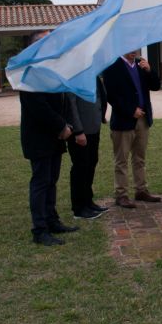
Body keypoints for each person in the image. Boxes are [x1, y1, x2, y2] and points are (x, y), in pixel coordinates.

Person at [19, 31, 79, 246]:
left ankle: (52, 221)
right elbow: (38, 107)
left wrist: (66, 125)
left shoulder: (50, 70)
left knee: (51, 181)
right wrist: (61, 125)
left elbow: (59, 100)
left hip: (54, 137)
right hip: (39, 138)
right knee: (41, 183)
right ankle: (40, 229)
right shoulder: (30, 73)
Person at [102, 49, 162, 208]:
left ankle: (141, 190)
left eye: (135, 48)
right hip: (123, 121)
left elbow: (156, 86)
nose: (133, 51)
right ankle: (121, 195)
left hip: (142, 119)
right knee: (121, 160)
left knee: (139, 158)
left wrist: (150, 71)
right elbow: (111, 95)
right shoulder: (112, 66)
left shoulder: (141, 65)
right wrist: (130, 110)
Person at [65, 77, 109, 220]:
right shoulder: (72, 76)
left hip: (93, 127)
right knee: (80, 167)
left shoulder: (92, 74)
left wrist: (101, 115)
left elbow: (100, 95)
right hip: (80, 131)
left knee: (91, 163)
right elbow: (71, 105)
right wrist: (78, 131)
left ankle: (88, 202)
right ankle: (79, 208)